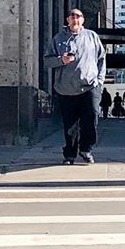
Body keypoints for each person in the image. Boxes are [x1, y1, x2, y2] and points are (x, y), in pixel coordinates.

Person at [45, 9, 106, 164]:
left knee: (91, 116)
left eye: (78, 17)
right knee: (70, 124)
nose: (75, 19)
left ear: (83, 20)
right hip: (66, 89)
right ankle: (70, 154)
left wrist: (99, 80)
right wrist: (61, 60)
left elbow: (101, 58)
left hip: (89, 86)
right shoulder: (58, 39)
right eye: (72, 17)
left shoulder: (92, 37)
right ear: (67, 20)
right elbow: (47, 61)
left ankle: (86, 148)